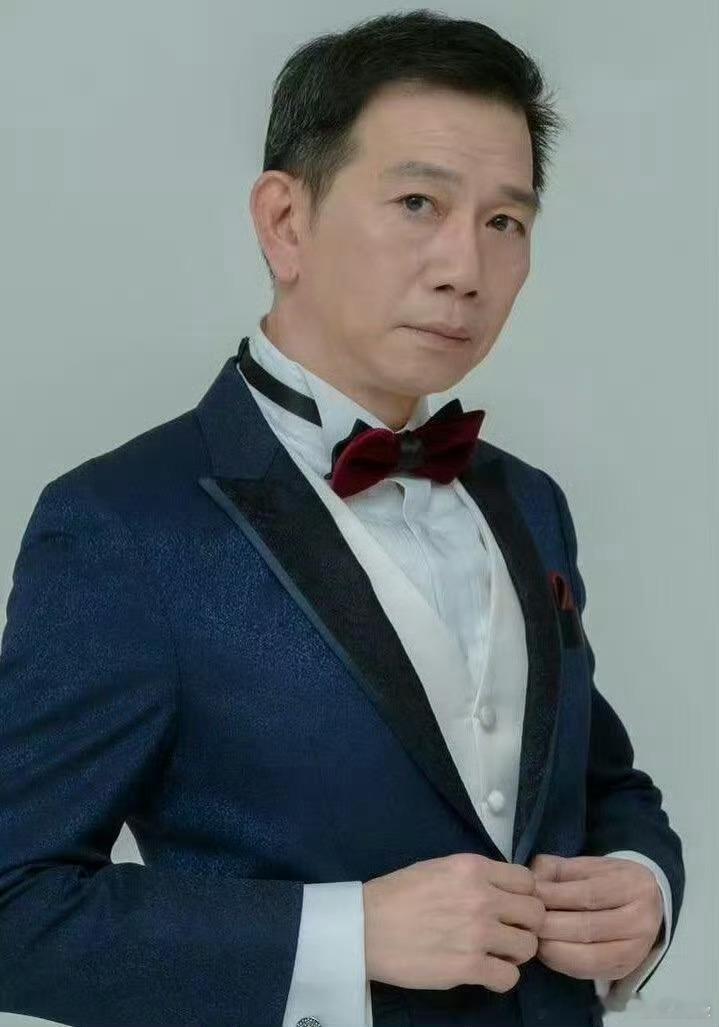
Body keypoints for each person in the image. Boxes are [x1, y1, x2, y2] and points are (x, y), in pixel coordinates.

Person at [0, 9, 684, 1027]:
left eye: (504, 222)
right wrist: (345, 935)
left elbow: (598, 781)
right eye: (416, 202)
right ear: (285, 221)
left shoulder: (527, 499)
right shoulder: (120, 524)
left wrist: (643, 884)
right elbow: (15, 908)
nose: (465, 268)